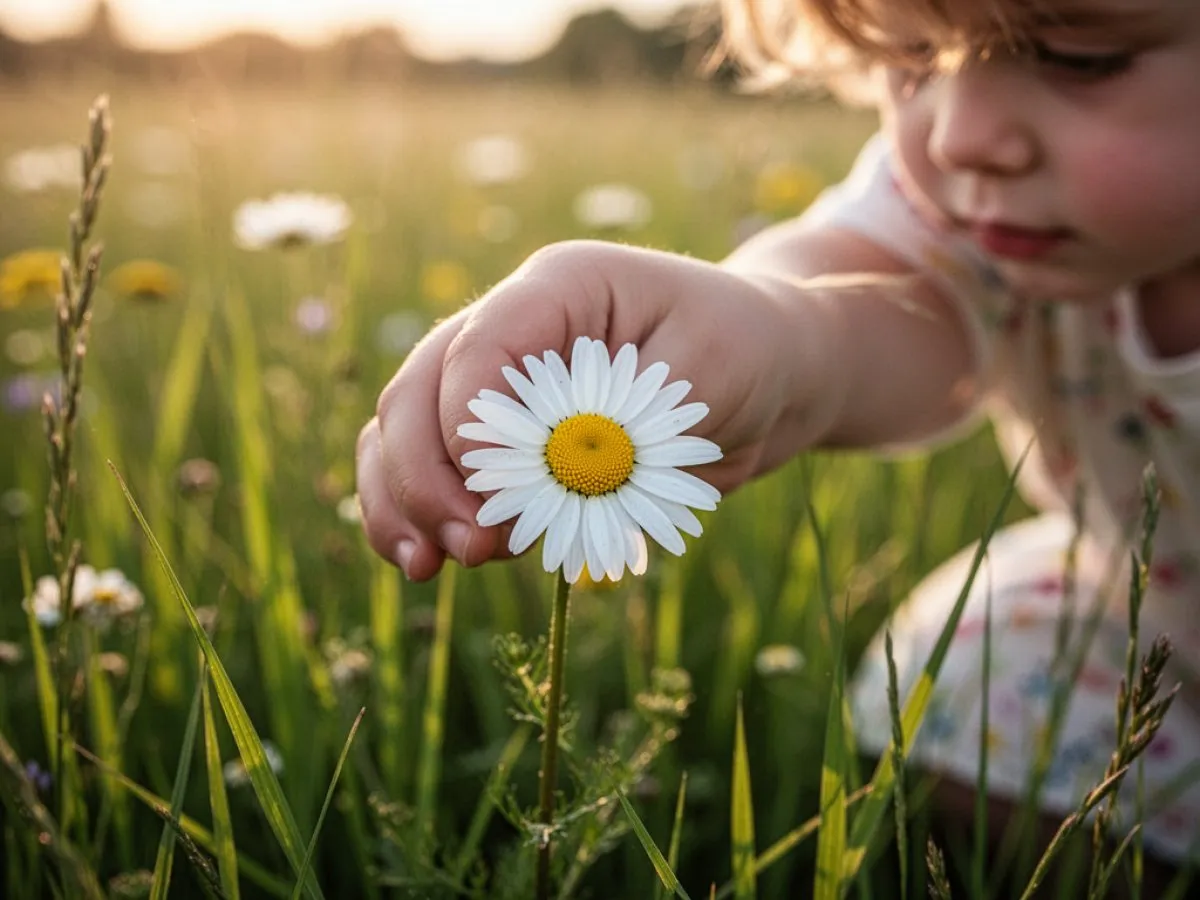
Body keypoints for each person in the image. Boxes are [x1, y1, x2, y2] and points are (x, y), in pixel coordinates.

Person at [356, 0, 1200, 880]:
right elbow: (856, 302)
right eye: (914, 59)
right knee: (965, 677)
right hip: (1149, 632)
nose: (960, 136)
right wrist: (753, 331)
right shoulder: (990, 223)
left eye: (1077, 58)